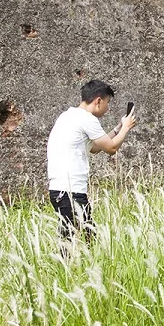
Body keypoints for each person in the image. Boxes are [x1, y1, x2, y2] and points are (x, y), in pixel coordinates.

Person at [47, 79, 135, 243]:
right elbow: (111, 148)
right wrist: (126, 128)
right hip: (70, 191)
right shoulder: (86, 119)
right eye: (107, 103)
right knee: (77, 239)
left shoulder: (68, 116)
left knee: (83, 236)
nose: (108, 108)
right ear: (98, 101)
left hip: (60, 190)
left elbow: (95, 147)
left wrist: (117, 129)